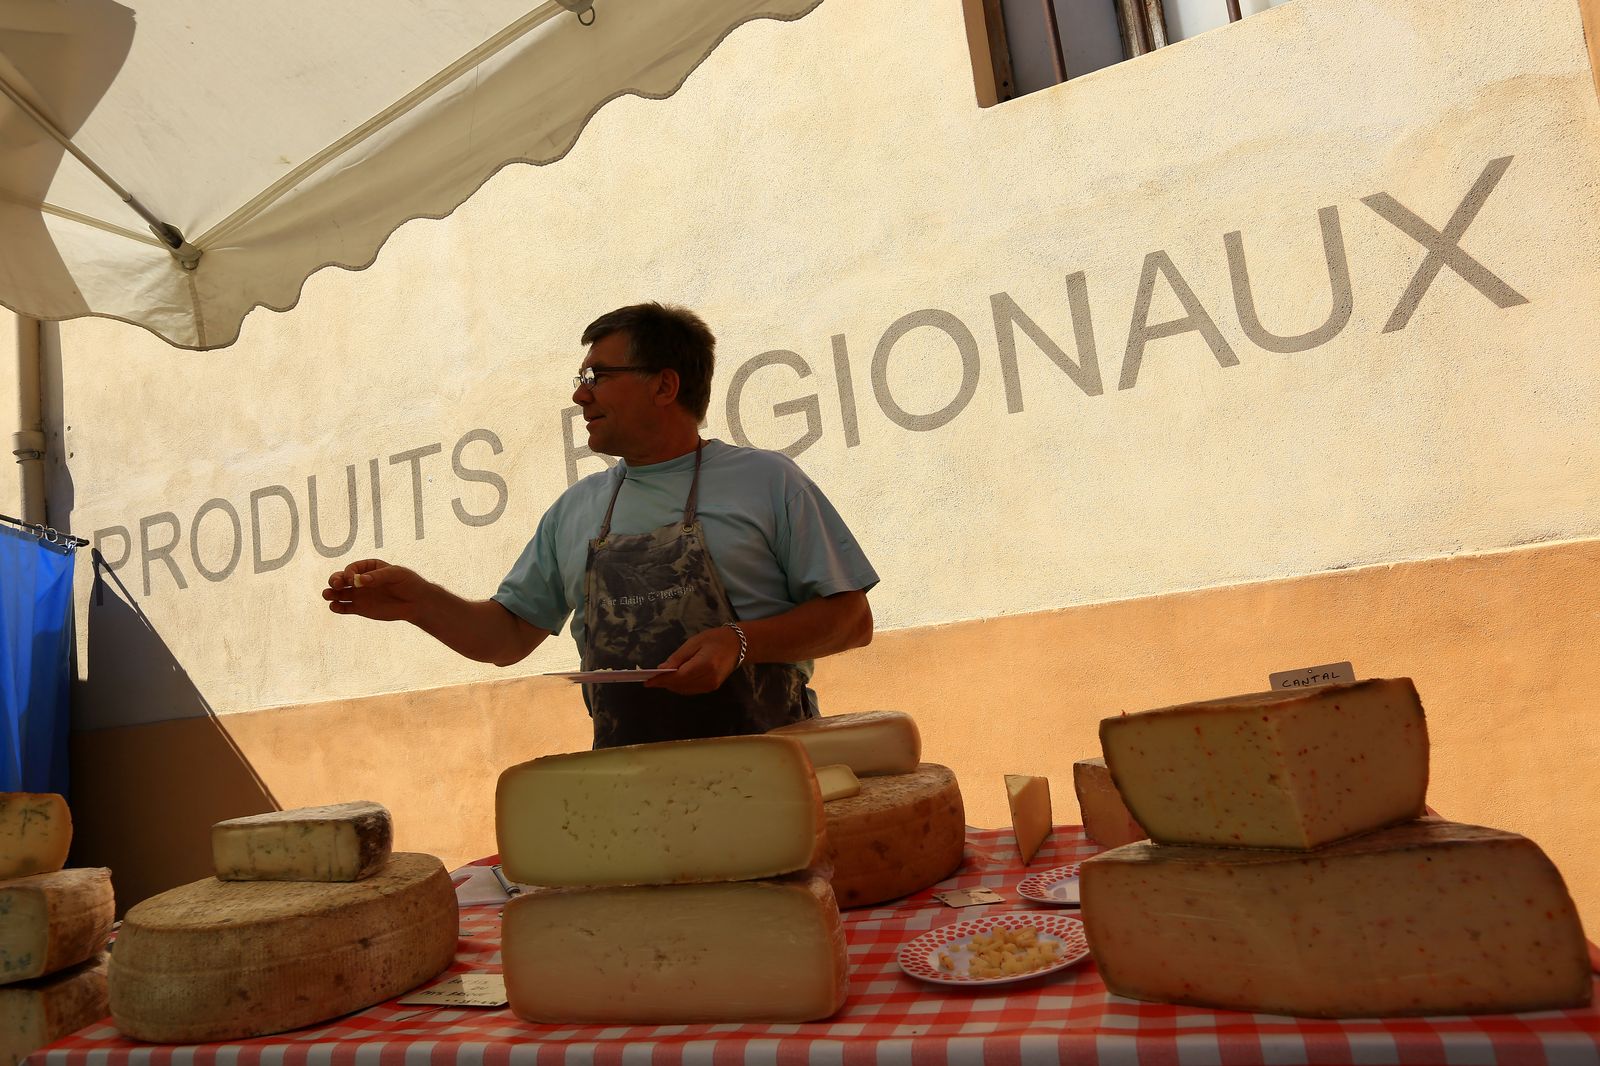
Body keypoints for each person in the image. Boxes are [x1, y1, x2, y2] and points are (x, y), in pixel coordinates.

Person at [323, 302, 878, 748]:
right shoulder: (574, 510)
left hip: (773, 781)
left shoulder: (768, 480)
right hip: (630, 793)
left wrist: (738, 642)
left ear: (664, 386)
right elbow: (506, 638)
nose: (579, 393)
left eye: (597, 376)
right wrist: (420, 602)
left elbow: (852, 620)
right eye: (581, 377)